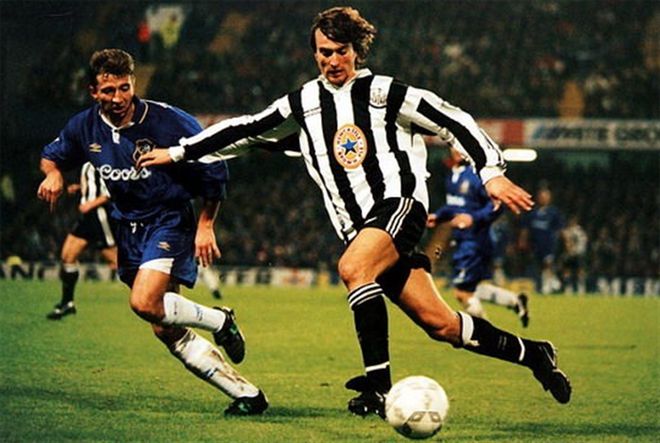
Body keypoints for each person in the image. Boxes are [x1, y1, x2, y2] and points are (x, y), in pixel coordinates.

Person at [137, 7, 571, 416]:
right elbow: (246, 130)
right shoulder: (304, 103)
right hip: (359, 227)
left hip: (399, 204)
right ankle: (535, 354)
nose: (332, 61)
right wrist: (178, 153)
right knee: (441, 325)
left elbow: (453, 120)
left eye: (341, 51)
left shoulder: (384, 92)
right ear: (314, 53)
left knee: (353, 267)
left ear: (357, 52)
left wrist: (490, 172)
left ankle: (378, 387)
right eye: (324, 52)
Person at [37, 48, 267, 415]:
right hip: (127, 227)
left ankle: (220, 320)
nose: (118, 98)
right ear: (93, 91)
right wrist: (52, 174)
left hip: (169, 218)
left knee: (144, 302)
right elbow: (52, 156)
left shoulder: (168, 121)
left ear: (134, 84)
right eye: (108, 90)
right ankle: (248, 395)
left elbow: (215, 166)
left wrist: (206, 224)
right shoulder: (84, 126)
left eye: (125, 88)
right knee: (163, 326)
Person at [426, 148, 529, 326]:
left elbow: (496, 206)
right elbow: (456, 206)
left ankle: (487, 334)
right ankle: (515, 300)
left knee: (462, 293)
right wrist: (439, 216)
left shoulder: (477, 175)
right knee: (473, 287)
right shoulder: (452, 175)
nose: (457, 150)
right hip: (462, 239)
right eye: (454, 146)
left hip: (475, 241)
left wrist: (473, 218)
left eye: (461, 146)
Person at [47, 162, 118, 320]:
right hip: (87, 217)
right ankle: (67, 303)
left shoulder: (104, 158)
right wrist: (79, 188)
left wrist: (91, 203)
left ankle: (153, 295)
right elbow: (95, 184)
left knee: (116, 261)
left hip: (99, 214)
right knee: (67, 256)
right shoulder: (88, 158)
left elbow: (114, 188)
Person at [518, 187, 564, 294]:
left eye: (545, 196)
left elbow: (560, 229)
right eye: (541, 196)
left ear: (550, 198)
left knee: (548, 263)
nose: (543, 198)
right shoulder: (532, 212)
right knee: (539, 265)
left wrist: (563, 241)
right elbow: (525, 228)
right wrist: (522, 240)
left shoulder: (554, 212)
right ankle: (552, 283)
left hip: (549, 243)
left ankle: (546, 286)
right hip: (535, 243)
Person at [560, 215, 588, 294]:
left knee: (573, 271)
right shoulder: (580, 231)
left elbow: (567, 240)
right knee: (573, 271)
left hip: (574, 253)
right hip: (578, 253)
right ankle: (577, 288)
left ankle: (572, 287)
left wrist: (571, 248)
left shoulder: (573, 231)